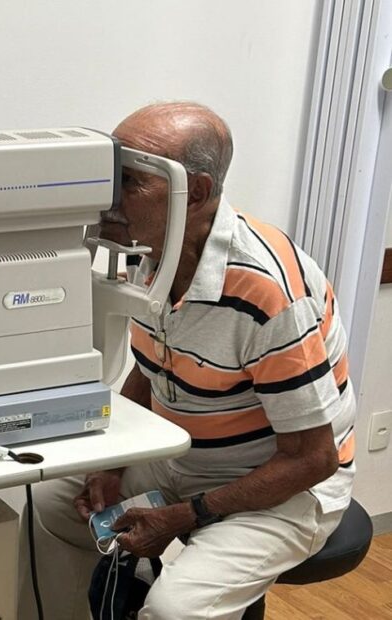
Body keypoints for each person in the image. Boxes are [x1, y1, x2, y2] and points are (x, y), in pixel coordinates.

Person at [18, 102, 356, 620]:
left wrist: (187, 516)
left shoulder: (268, 294)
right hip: (187, 454)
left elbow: (313, 460)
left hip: (284, 484)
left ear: (193, 193)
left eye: (130, 183)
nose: (108, 201)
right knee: (52, 507)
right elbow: (152, 368)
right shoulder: (147, 256)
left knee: (176, 611)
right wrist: (112, 466)